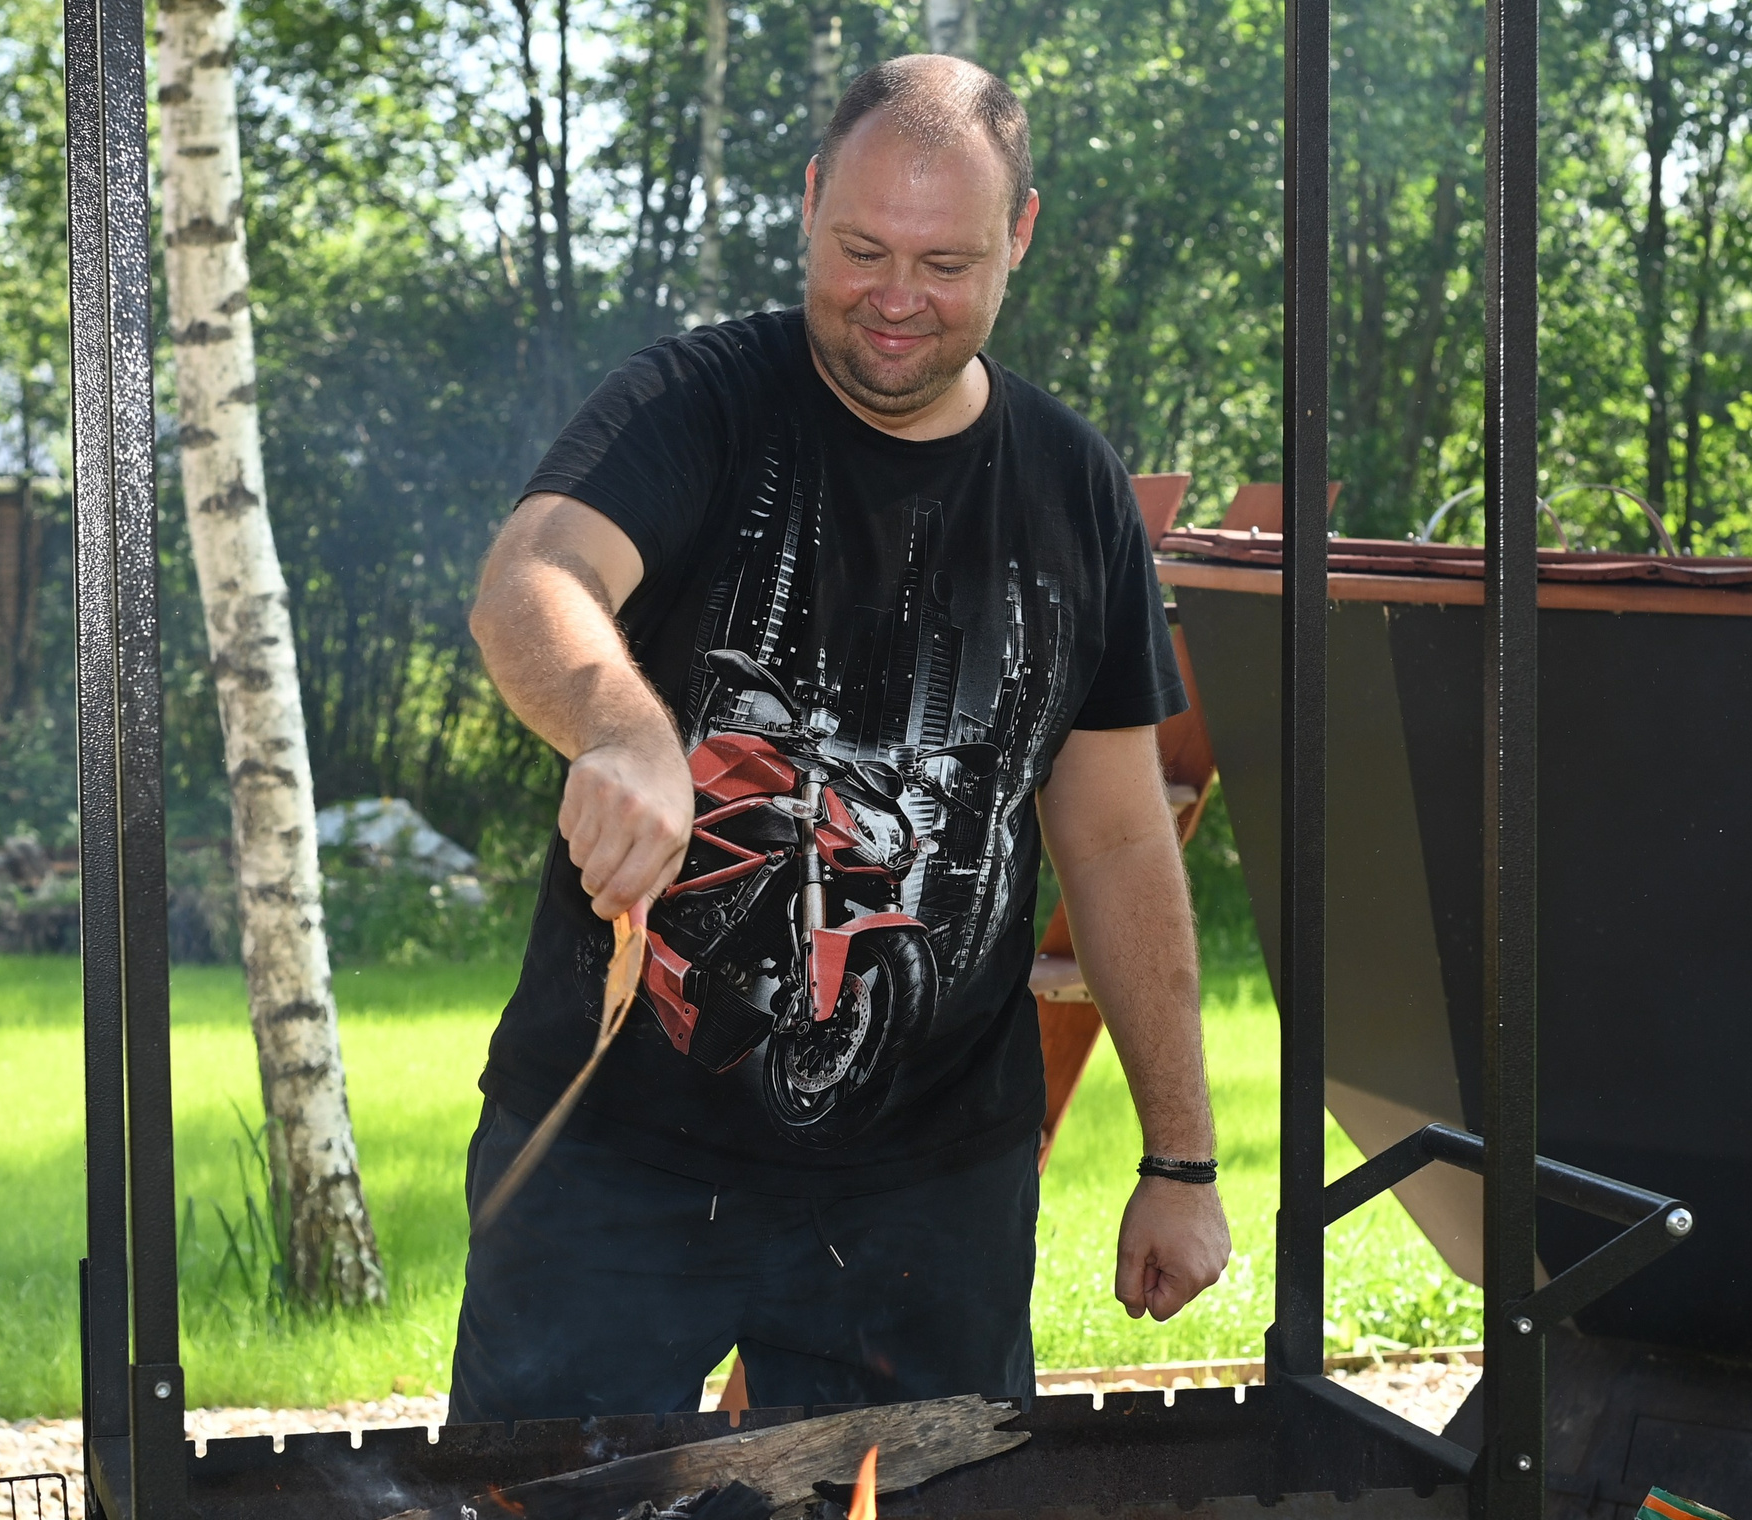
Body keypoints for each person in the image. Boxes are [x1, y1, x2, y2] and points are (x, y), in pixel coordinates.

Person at [454, 53, 1229, 1424]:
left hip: (928, 1202)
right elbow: (534, 577)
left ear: (1021, 237)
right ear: (810, 204)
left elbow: (1114, 837)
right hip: (611, 1167)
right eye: (862, 247)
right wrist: (624, 729)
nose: (895, 297)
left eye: (944, 260)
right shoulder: (696, 404)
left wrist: (1182, 1157)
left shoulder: (1074, 489)